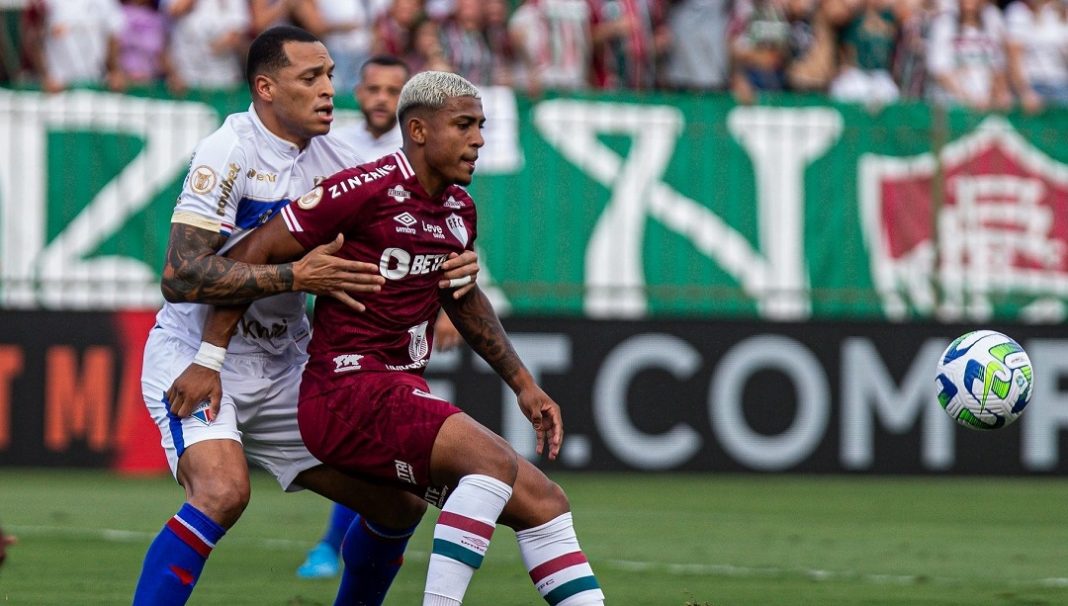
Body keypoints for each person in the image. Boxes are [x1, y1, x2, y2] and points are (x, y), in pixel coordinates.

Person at [171, 70, 605, 606]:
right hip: (346, 390)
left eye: (482, 126)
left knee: (545, 502)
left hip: (399, 390)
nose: (479, 140)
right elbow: (250, 253)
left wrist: (523, 384)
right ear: (419, 131)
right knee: (490, 465)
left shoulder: (458, 210)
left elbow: (462, 297)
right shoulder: (362, 189)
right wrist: (210, 356)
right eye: (465, 125)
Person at [132, 26, 480, 606]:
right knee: (221, 492)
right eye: (310, 78)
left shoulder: (339, 157)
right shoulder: (229, 151)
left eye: (329, 76)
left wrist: (450, 273)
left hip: (288, 363)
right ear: (266, 88)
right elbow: (181, 275)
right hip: (198, 359)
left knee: (398, 504)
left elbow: (400, 231)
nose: (328, 91)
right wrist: (293, 277)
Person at [296, 53, 462, 580]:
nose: (381, 99)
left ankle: (332, 545)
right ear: (358, 93)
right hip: (328, 313)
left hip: (394, 321)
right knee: (361, 437)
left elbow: (445, 233)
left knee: (375, 442)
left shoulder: (420, 154)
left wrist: (446, 305)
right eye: (373, 89)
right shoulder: (333, 150)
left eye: (394, 90)